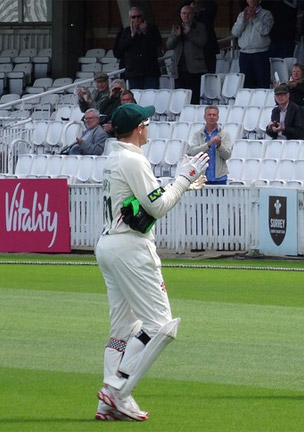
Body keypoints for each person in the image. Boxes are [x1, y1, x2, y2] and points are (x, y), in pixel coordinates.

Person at [95, 103, 209, 422]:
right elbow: (157, 207)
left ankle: (108, 400)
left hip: (109, 244)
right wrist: (184, 180)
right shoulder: (132, 159)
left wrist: (180, 186)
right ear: (140, 128)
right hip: (131, 249)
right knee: (161, 325)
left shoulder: (115, 156)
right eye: (147, 123)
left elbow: (141, 203)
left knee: (122, 329)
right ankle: (118, 391)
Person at [167, 5, 208, 104]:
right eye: (184, 13)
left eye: (189, 13)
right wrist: (176, 37)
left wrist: (189, 33)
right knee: (179, 97)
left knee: (193, 97)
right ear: (180, 15)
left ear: (193, 15)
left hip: (194, 68)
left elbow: (202, 42)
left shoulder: (200, 27)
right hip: (178, 68)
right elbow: (169, 45)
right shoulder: (177, 27)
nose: (186, 16)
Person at [114, 7, 162, 90]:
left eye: (138, 16)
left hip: (150, 72)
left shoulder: (152, 29)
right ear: (130, 19)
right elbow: (118, 51)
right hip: (134, 72)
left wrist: (145, 33)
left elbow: (158, 43)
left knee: (151, 96)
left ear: (142, 17)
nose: (136, 19)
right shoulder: (125, 32)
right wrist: (132, 36)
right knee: (136, 97)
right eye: (133, 17)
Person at [231, 0, 273, 89]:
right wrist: (243, 21)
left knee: (262, 83)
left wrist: (255, 18)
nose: (251, 1)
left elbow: (265, 31)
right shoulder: (242, 15)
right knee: (246, 85)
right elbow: (235, 32)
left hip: (260, 53)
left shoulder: (266, 14)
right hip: (244, 54)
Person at [186, 105, 233, 185]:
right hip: (202, 177)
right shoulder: (198, 134)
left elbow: (227, 155)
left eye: (214, 115)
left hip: (220, 178)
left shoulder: (225, 134)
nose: (212, 117)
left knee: (220, 198)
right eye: (209, 114)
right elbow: (192, 152)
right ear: (205, 117)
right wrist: (208, 144)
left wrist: (219, 146)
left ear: (217, 118)